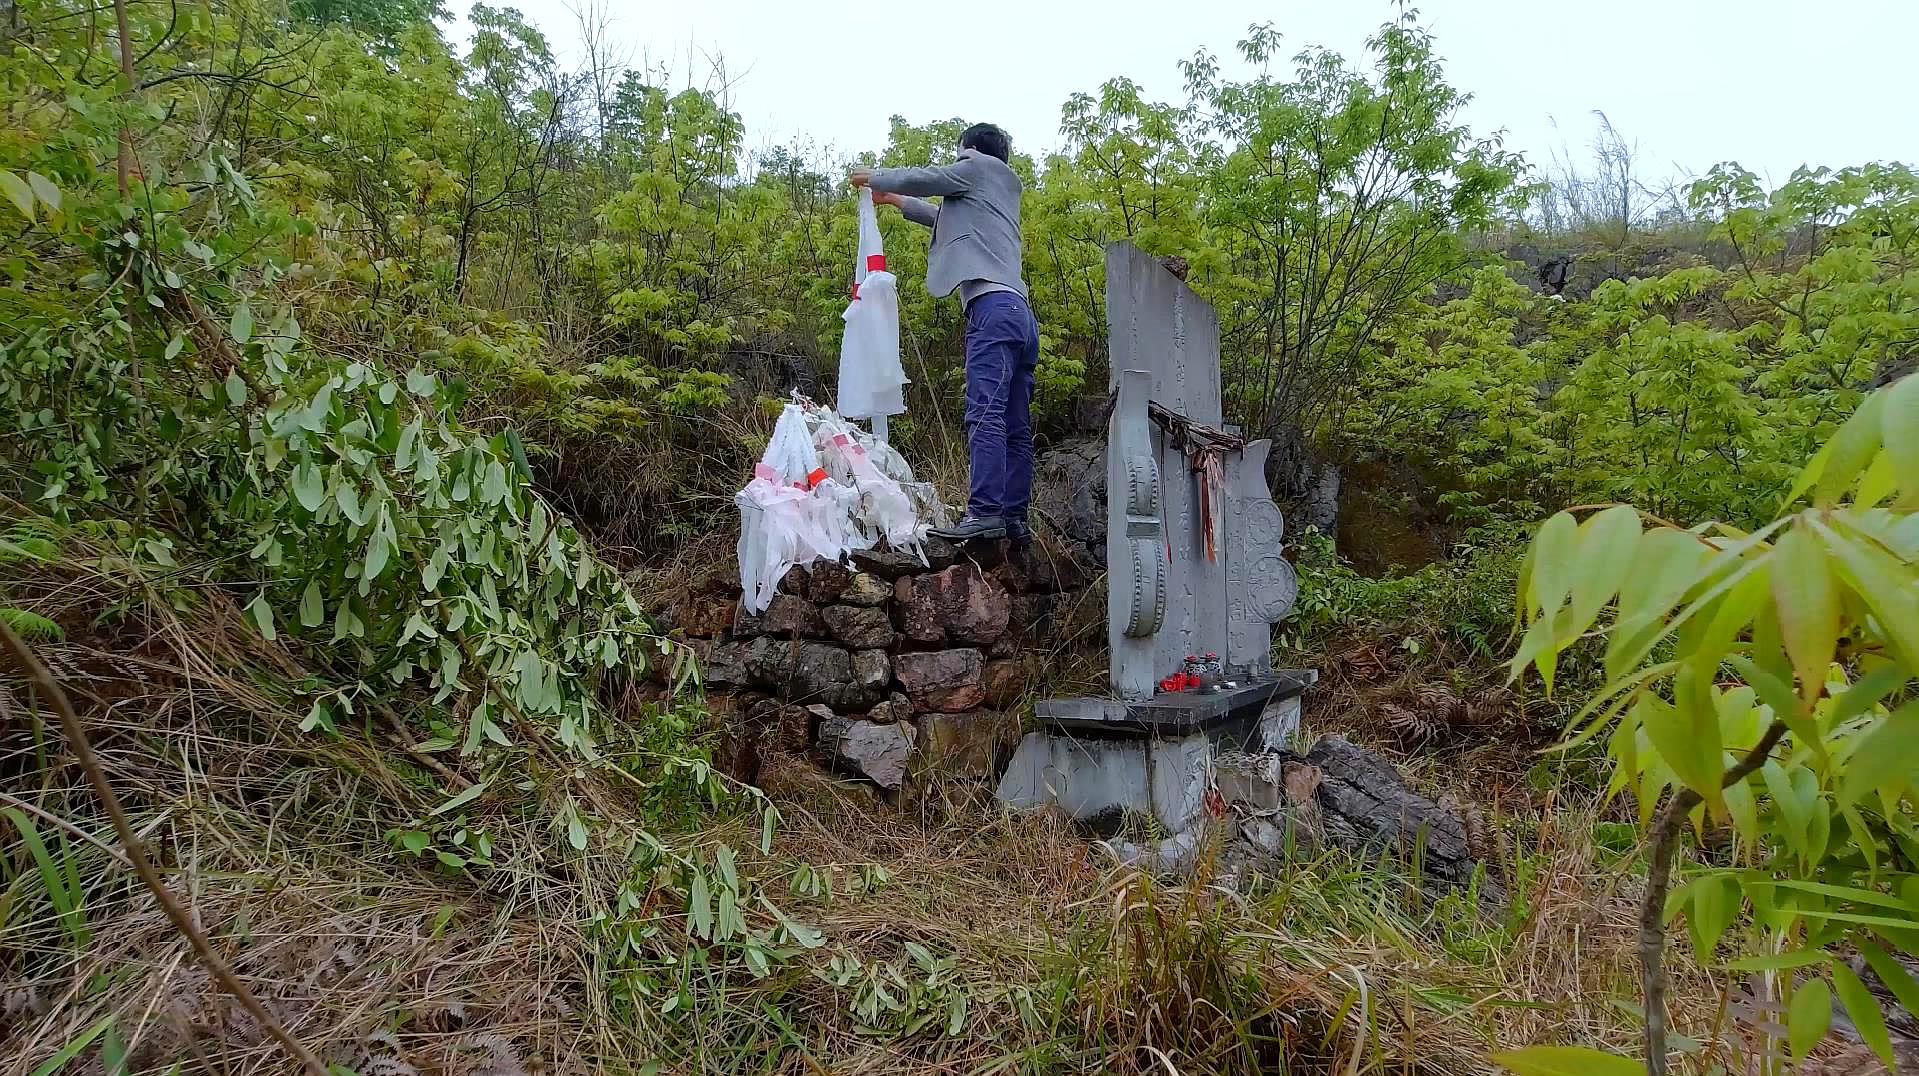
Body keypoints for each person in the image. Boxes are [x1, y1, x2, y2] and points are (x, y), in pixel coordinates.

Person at [849, 122, 1039, 543]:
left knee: (984, 413)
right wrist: (897, 200)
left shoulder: (974, 166)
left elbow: (930, 178)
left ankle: (985, 512)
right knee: (1014, 424)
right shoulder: (999, 193)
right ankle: (1013, 519)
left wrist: (873, 177)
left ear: (969, 150)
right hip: (1021, 316)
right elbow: (943, 218)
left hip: (991, 310)